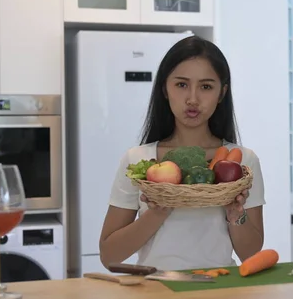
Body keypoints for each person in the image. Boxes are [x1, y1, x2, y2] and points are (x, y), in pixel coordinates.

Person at [98, 35, 265, 271]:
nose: (193, 99)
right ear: (165, 89)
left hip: (222, 287)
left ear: (222, 93)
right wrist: (156, 213)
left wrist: (234, 213)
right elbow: (109, 255)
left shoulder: (242, 162)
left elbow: (251, 253)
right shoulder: (138, 161)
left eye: (206, 87)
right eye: (181, 84)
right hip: (156, 289)